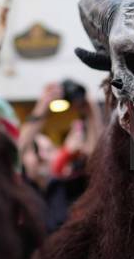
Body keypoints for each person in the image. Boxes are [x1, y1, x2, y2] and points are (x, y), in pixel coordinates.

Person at [19, 82, 103, 232]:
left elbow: (95, 159)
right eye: (36, 149)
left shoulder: (66, 186)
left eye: (49, 150)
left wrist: (91, 111)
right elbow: (19, 147)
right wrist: (42, 106)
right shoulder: (19, 189)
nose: (42, 156)